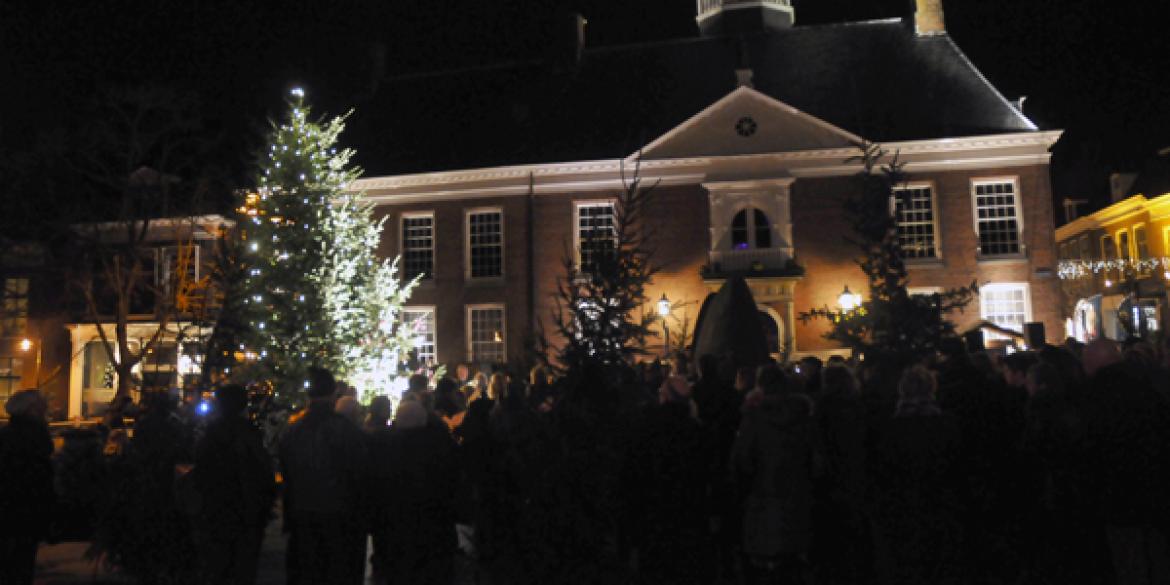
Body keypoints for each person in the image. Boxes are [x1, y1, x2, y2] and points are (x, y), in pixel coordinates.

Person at [868, 365, 964, 585]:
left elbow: (882, 467)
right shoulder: (946, 422)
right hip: (940, 499)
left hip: (903, 501)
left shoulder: (889, 427)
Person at [279, 367, 369, 585]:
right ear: (333, 393)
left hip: (304, 514)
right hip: (339, 515)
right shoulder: (347, 430)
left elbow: (286, 473)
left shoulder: (293, 430)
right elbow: (360, 474)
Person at [732, 364, 818, 584]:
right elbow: (815, 457)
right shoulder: (803, 416)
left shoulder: (754, 417)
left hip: (764, 494)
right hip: (797, 495)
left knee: (768, 561)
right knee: (793, 559)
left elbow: (743, 459)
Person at [192, 384, 276, 585]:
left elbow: (201, 472)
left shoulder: (211, 434)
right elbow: (263, 471)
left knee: (218, 568)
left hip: (218, 512)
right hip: (244, 513)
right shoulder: (249, 433)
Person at [0, 390, 55, 585]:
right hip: (27, 507)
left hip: (10, 507)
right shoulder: (36, 437)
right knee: (22, 561)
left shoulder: (6, 435)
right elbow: (42, 476)